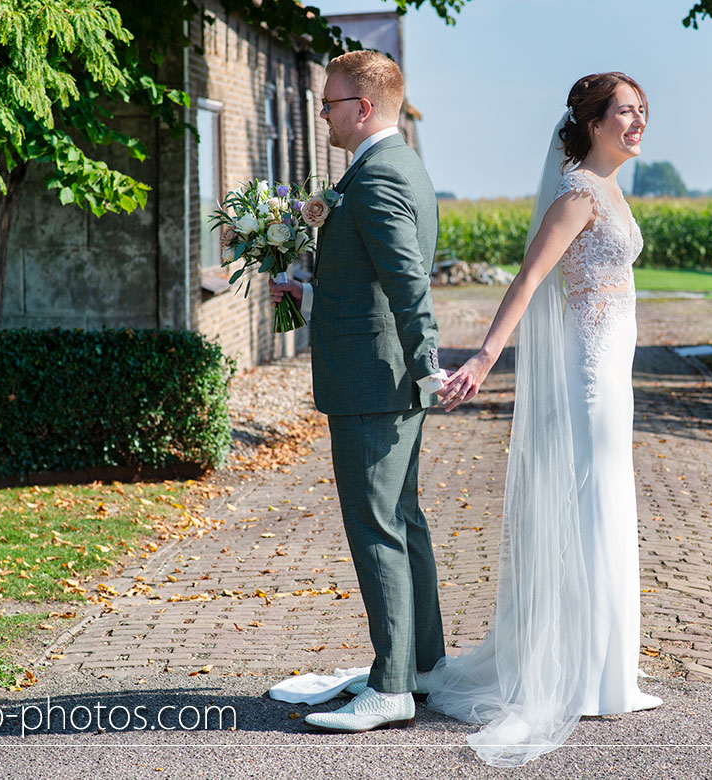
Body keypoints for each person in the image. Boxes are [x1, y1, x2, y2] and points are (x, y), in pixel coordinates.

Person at [426, 71, 662, 767]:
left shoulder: (613, 188)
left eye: (643, 111)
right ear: (592, 122)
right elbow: (528, 280)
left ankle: (610, 671)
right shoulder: (577, 194)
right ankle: (581, 674)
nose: (639, 121)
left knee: (609, 506)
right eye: (626, 111)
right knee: (590, 509)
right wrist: (485, 357)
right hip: (588, 380)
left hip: (613, 378)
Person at [266, 50, 450, 734]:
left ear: (363, 107)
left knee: (377, 529)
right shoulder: (399, 167)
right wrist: (311, 293)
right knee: (404, 521)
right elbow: (371, 282)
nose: (323, 114)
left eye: (330, 104)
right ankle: (423, 664)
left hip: (376, 383)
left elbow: (407, 282)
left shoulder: (373, 180)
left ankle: (392, 687)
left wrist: (429, 360)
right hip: (383, 374)